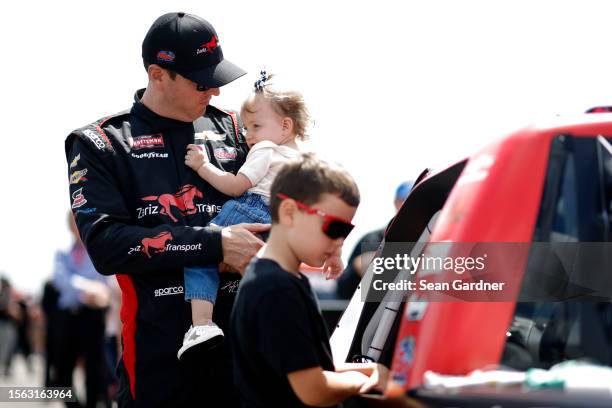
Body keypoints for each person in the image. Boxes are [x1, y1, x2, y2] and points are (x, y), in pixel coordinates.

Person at [64, 12, 268, 408]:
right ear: (157, 74)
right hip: (160, 359)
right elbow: (106, 245)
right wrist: (216, 244)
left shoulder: (239, 130)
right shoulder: (100, 143)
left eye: (217, 80)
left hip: (247, 350)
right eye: (202, 82)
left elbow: (278, 201)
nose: (216, 92)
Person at [178, 71, 342, 359]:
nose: (247, 135)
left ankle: (201, 325)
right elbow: (326, 211)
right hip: (285, 228)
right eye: (245, 128)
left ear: (285, 126)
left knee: (200, 257)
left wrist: (202, 165)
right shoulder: (311, 162)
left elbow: (235, 185)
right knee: (268, 281)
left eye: (254, 126)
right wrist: (334, 253)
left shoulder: (266, 148)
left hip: (250, 210)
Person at [230, 153, 388, 408]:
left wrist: (373, 370)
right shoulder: (277, 290)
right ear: (290, 212)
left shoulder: (274, 278)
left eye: (346, 232)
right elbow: (313, 389)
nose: (340, 242)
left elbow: (307, 366)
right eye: (335, 228)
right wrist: (365, 381)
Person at [53, 212, 111, 408]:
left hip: (93, 315)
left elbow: (106, 283)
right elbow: (60, 279)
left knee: (95, 367)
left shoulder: (99, 249)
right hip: (68, 316)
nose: (77, 227)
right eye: (73, 223)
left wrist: (98, 291)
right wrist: (89, 288)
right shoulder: (62, 253)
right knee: (62, 368)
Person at [336, 181, 414, 299]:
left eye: (415, 202)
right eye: (405, 200)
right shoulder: (372, 239)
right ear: (396, 202)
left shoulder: (432, 239)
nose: (411, 206)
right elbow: (344, 285)